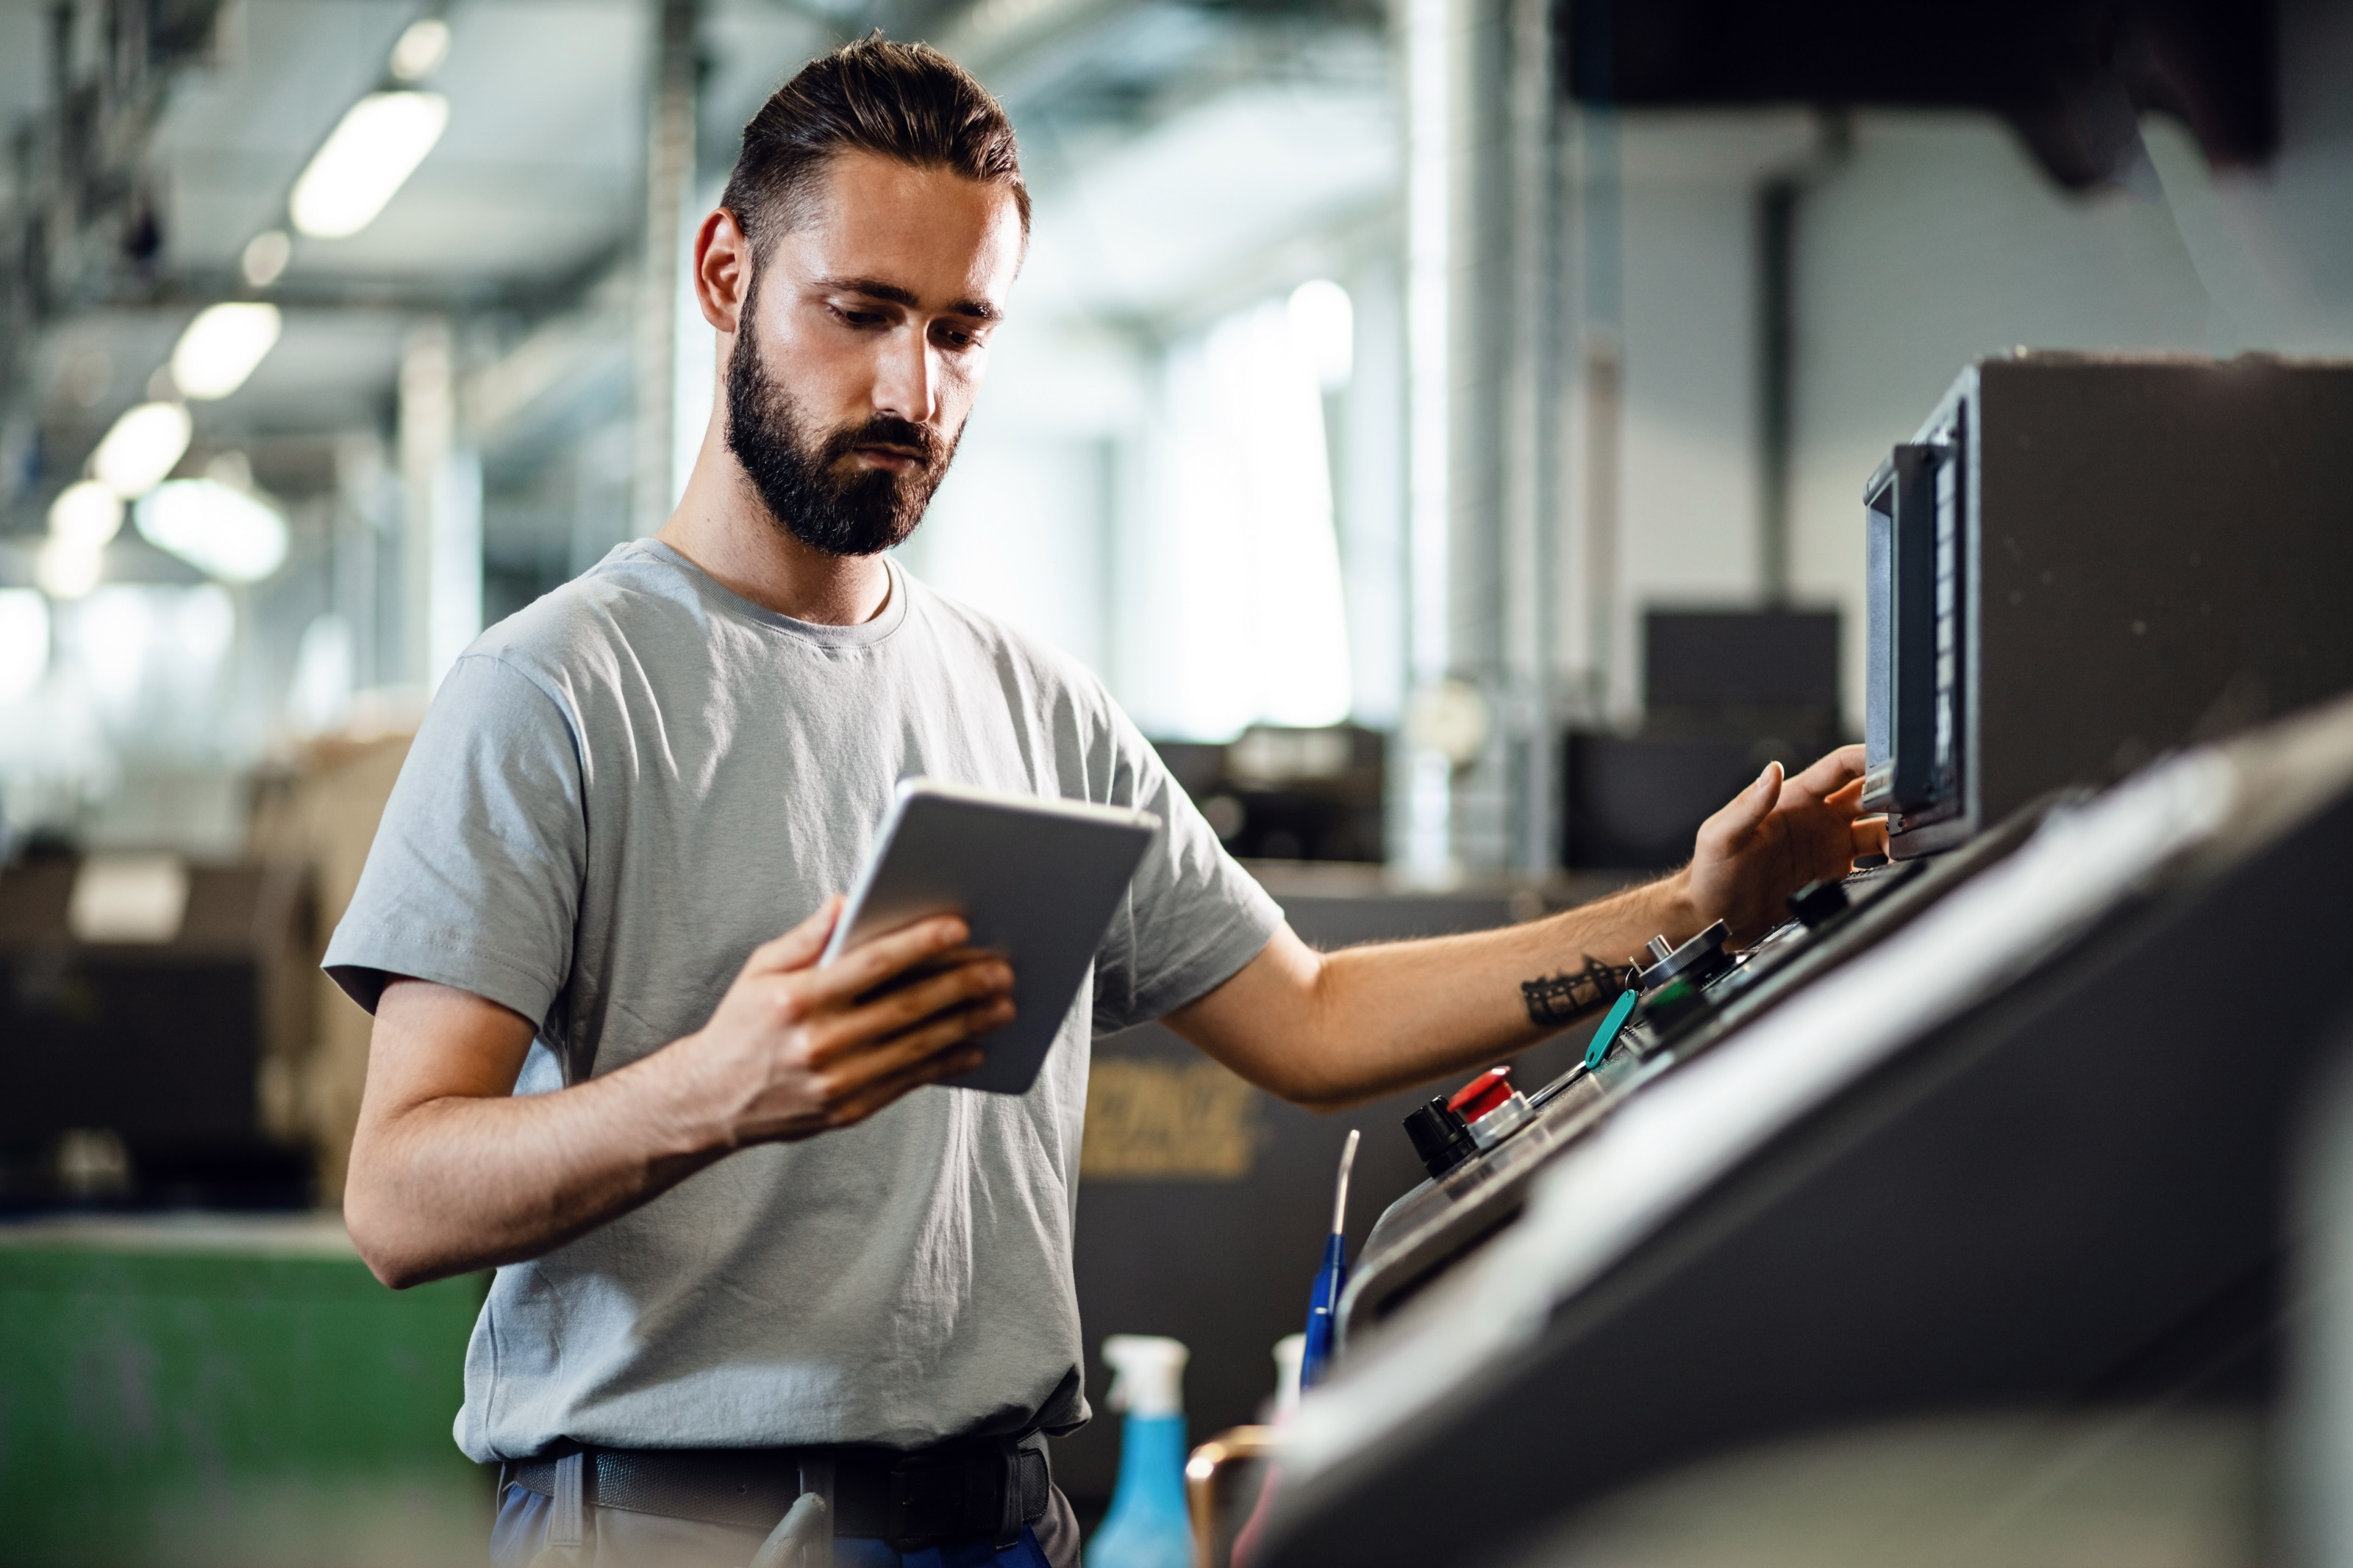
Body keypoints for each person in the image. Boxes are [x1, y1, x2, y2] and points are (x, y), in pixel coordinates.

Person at [328, 37, 1884, 1568]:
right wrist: (718, 1084)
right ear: (726, 272)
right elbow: (398, 1193)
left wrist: (1681, 914)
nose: (908, 386)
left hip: (1001, 1520)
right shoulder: (557, 689)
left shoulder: (1032, 701)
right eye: (859, 311)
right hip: (676, 1526)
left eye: (961, 330)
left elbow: (1315, 1016)